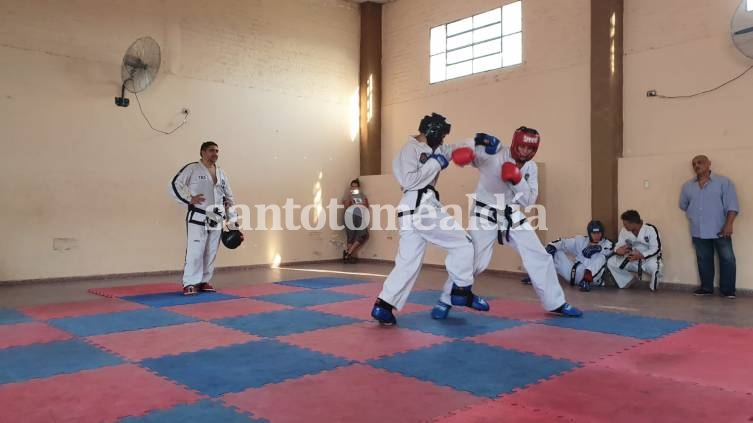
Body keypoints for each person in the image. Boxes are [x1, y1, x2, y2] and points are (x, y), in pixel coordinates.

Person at [432, 127, 583, 319]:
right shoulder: (494, 154)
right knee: (473, 260)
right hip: (484, 213)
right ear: (515, 144)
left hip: (512, 215)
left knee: (539, 256)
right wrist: (473, 144)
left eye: (531, 148)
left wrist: (517, 179)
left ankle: (556, 303)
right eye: (523, 147)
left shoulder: (531, 168)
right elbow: (466, 154)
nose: (526, 152)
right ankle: (445, 300)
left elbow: (529, 201)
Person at [370, 113, 489, 325]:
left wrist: (477, 141)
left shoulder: (434, 149)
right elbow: (409, 180)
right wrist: (435, 163)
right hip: (420, 207)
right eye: (441, 136)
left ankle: (384, 306)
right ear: (431, 131)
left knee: (407, 263)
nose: (442, 140)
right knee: (464, 243)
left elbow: (452, 149)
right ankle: (461, 291)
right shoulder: (409, 150)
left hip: (411, 212)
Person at [170, 141, 239, 296]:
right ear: (202, 152)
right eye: (211, 150)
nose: (215, 153)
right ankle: (190, 282)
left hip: (217, 216)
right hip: (199, 215)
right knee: (196, 250)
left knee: (211, 250)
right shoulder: (192, 168)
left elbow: (229, 197)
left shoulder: (221, 173)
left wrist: (233, 221)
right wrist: (189, 198)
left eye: (217, 151)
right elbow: (174, 184)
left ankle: (204, 280)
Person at [679, 155, 739, 298]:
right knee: (703, 259)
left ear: (709, 164)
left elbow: (732, 206)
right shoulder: (688, 186)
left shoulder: (724, 183)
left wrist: (729, 224)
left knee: (727, 259)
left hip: (720, 228)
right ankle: (706, 288)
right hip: (698, 230)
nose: (696, 166)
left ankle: (728, 291)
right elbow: (683, 205)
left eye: (700, 162)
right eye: (694, 164)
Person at [546, 220, 614, 292]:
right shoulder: (581, 240)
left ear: (602, 233)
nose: (596, 236)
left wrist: (598, 248)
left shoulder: (606, 243)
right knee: (555, 251)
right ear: (589, 233)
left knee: (601, 257)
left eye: (598, 233)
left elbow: (610, 249)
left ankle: (586, 280)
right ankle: (538, 276)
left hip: (591, 280)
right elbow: (564, 242)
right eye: (593, 233)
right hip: (574, 273)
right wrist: (552, 246)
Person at [606, 210, 661, 291]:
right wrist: (618, 250)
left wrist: (641, 255)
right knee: (611, 262)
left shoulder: (650, 229)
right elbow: (619, 244)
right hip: (631, 259)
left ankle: (653, 287)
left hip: (648, 260)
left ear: (634, 223)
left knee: (657, 267)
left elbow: (656, 248)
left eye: (625, 224)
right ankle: (627, 281)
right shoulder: (624, 231)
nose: (624, 226)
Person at [342, 179, 370, 263]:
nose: (354, 188)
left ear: (358, 187)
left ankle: (348, 253)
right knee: (350, 237)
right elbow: (346, 206)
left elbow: (366, 206)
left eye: (355, 186)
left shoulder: (362, 195)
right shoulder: (349, 195)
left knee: (364, 234)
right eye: (352, 186)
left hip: (358, 216)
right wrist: (349, 197)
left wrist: (358, 204)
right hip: (349, 216)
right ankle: (348, 257)